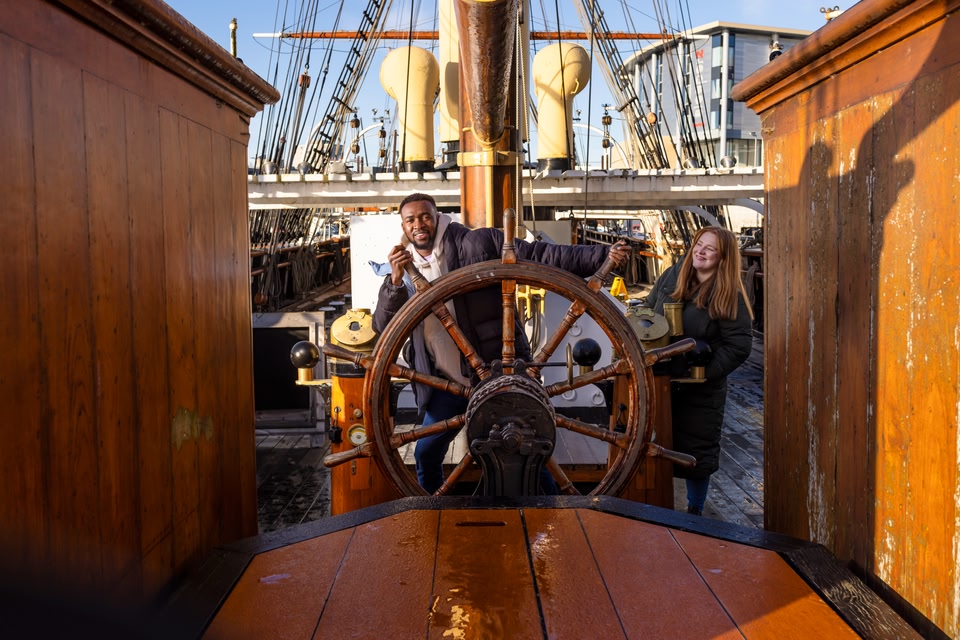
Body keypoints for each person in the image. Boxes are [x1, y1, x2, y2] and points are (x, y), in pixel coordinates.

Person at [372, 193, 630, 494]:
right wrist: (393, 281)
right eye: (410, 220)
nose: (419, 224)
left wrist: (602, 258)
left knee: (529, 448)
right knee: (425, 454)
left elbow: (541, 256)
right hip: (448, 382)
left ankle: (557, 510)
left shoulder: (477, 244)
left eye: (425, 216)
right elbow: (384, 327)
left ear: (437, 216)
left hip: (500, 373)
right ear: (403, 226)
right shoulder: (402, 269)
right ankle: (432, 512)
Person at [641, 225, 753, 516]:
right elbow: (649, 312)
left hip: (700, 389)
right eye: (698, 244)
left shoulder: (730, 295)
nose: (700, 251)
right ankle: (655, 506)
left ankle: (695, 512)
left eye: (710, 248)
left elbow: (739, 345)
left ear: (723, 258)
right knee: (657, 442)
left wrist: (702, 373)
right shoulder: (673, 275)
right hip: (662, 379)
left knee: (696, 451)